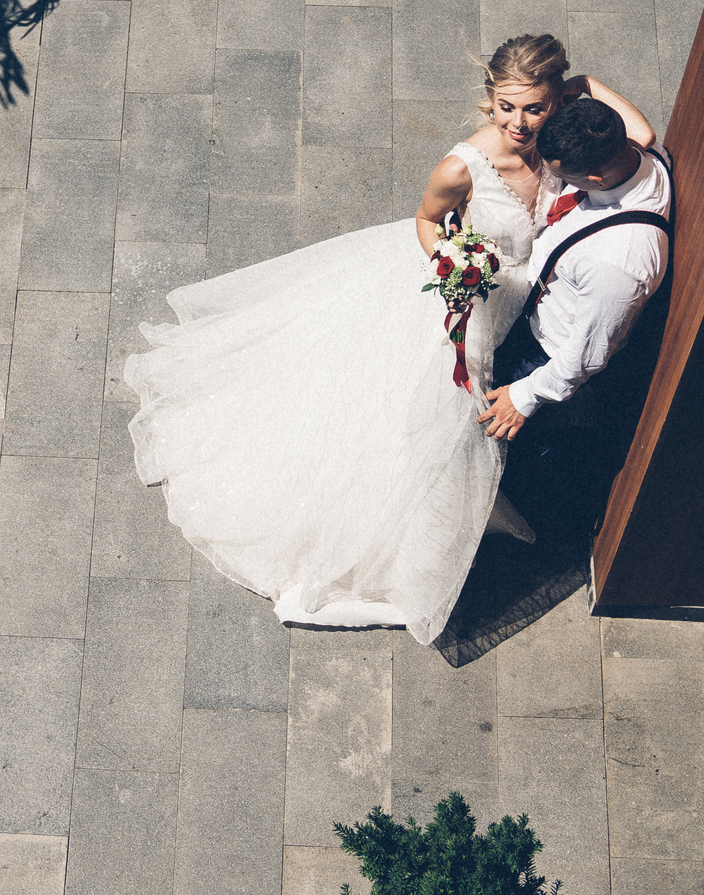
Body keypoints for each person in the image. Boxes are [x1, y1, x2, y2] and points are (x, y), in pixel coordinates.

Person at [122, 34, 654, 644]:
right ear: (489, 100)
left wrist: (583, 87)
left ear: (557, 101)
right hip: (466, 298)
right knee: (426, 417)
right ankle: (406, 540)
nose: (519, 124)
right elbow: (426, 222)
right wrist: (453, 264)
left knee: (459, 422)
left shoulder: (566, 144)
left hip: (522, 304)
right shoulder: (462, 166)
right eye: (506, 107)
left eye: (534, 108)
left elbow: (640, 136)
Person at [477, 94, 675, 528]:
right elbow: (639, 127)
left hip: (545, 360)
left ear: (595, 177)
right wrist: (581, 84)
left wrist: (524, 397)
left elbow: (587, 354)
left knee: (513, 454)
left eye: (562, 176)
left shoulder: (620, 261)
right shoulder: (642, 153)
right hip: (532, 317)